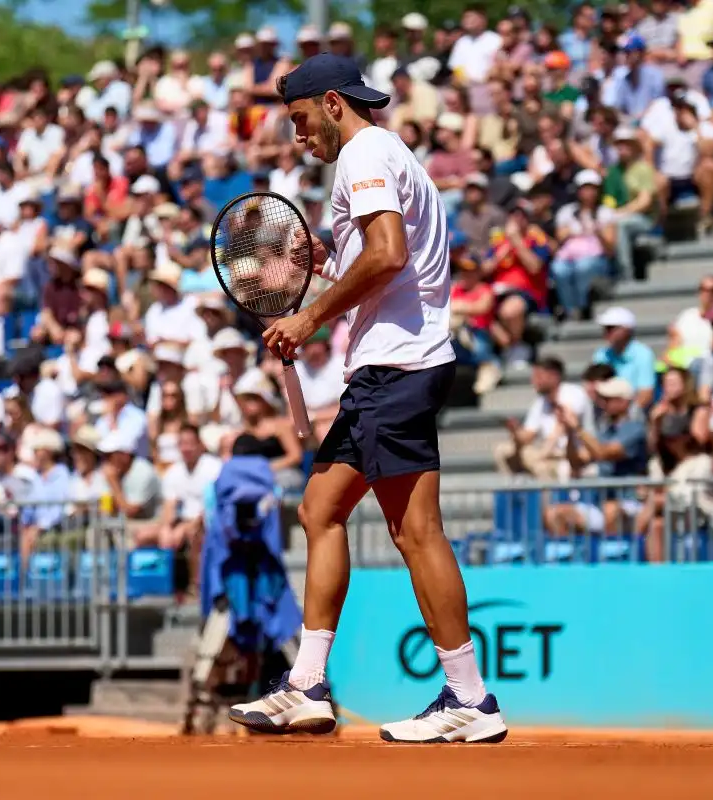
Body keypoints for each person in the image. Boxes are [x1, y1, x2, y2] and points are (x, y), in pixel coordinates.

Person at [231, 54, 507, 744]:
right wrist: (325, 264)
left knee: (416, 532)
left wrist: (308, 316)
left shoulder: (364, 153)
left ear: (330, 103)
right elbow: (384, 255)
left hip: (399, 366)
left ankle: (470, 698)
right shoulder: (382, 155)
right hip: (388, 368)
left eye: (298, 119)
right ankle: (307, 686)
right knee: (320, 508)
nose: (296, 135)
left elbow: (386, 254)